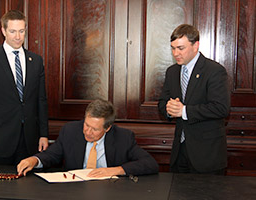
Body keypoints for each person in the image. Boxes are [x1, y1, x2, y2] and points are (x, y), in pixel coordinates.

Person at [0, 10, 49, 165]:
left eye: (21, 31)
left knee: (28, 188)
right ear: (3, 30)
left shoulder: (35, 61)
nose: (17, 36)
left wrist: (43, 134)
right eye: (13, 31)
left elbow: (41, 101)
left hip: (29, 141)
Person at [17, 99, 159, 177]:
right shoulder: (70, 131)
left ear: (107, 128)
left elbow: (150, 163)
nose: (88, 131)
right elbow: (51, 155)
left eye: (95, 129)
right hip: (75, 191)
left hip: (110, 192)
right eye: (86, 125)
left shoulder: (123, 137)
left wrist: (116, 170)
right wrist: (34, 160)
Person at [158, 24, 230, 174]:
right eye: (173, 48)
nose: (175, 53)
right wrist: (169, 109)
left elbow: (221, 108)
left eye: (181, 48)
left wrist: (184, 111)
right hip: (180, 152)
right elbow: (162, 103)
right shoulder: (172, 72)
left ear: (195, 45)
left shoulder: (214, 71)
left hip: (207, 155)